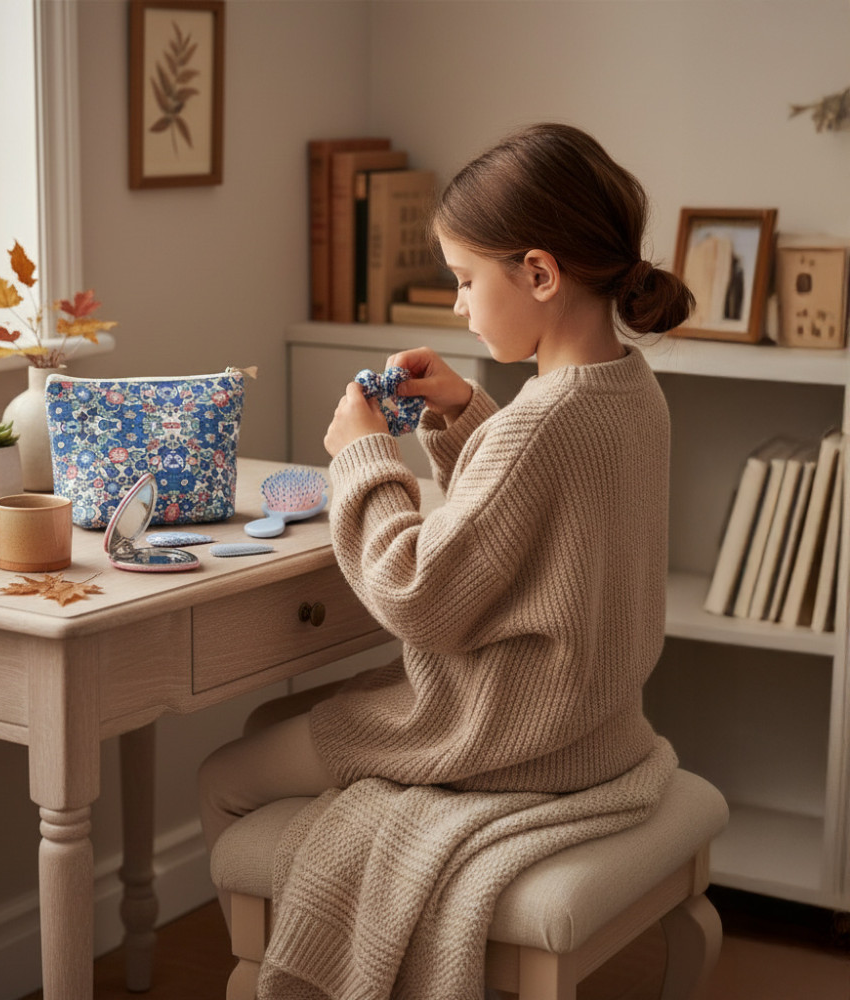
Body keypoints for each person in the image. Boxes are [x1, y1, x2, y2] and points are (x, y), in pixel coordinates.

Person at [198, 122, 694, 996]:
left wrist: (362, 457)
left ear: (539, 274)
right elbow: (532, 531)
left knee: (224, 773)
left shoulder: (541, 424)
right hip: (591, 724)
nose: (459, 305)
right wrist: (465, 412)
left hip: (503, 737)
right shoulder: (628, 388)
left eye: (465, 280)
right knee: (275, 728)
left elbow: (416, 593)